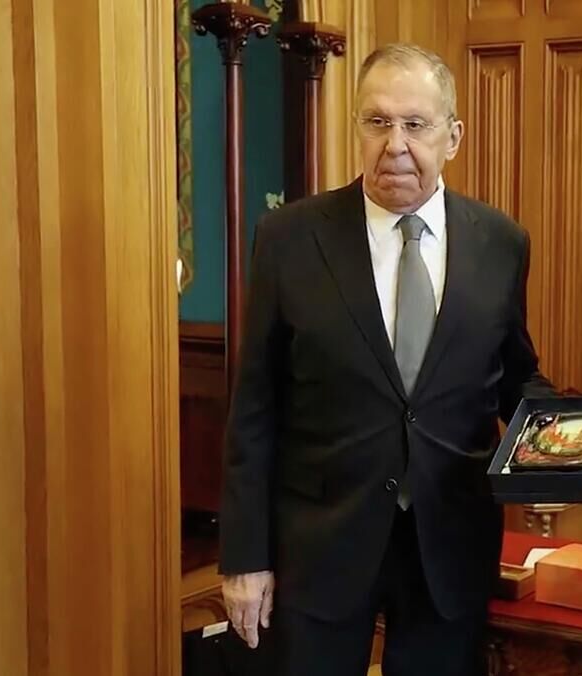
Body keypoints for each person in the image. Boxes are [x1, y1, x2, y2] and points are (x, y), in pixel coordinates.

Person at [217, 43, 554, 676]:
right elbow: (254, 408)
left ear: (453, 136)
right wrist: (244, 557)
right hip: (321, 545)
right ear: (358, 128)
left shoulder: (501, 243)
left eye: (415, 124)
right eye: (377, 122)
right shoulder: (289, 239)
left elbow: (514, 378)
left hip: (449, 542)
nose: (394, 144)